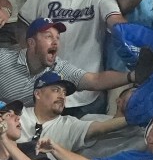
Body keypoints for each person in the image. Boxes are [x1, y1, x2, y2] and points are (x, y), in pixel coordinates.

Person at [18, 0, 126, 116]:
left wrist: (129, 32)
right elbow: (22, 23)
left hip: (87, 95)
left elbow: (114, 19)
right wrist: (27, 54)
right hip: (46, 90)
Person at [20, 71, 128, 160]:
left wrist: (135, 117)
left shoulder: (69, 125)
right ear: (38, 93)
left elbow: (100, 127)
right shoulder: (16, 116)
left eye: (64, 93)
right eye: (56, 90)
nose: (62, 96)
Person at [0, 18, 138, 107]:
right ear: (31, 43)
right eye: (48, 36)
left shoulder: (59, 68)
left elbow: (95, 80)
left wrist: (132, 76)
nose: (55, 42)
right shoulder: (3, 58)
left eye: (57, 38)